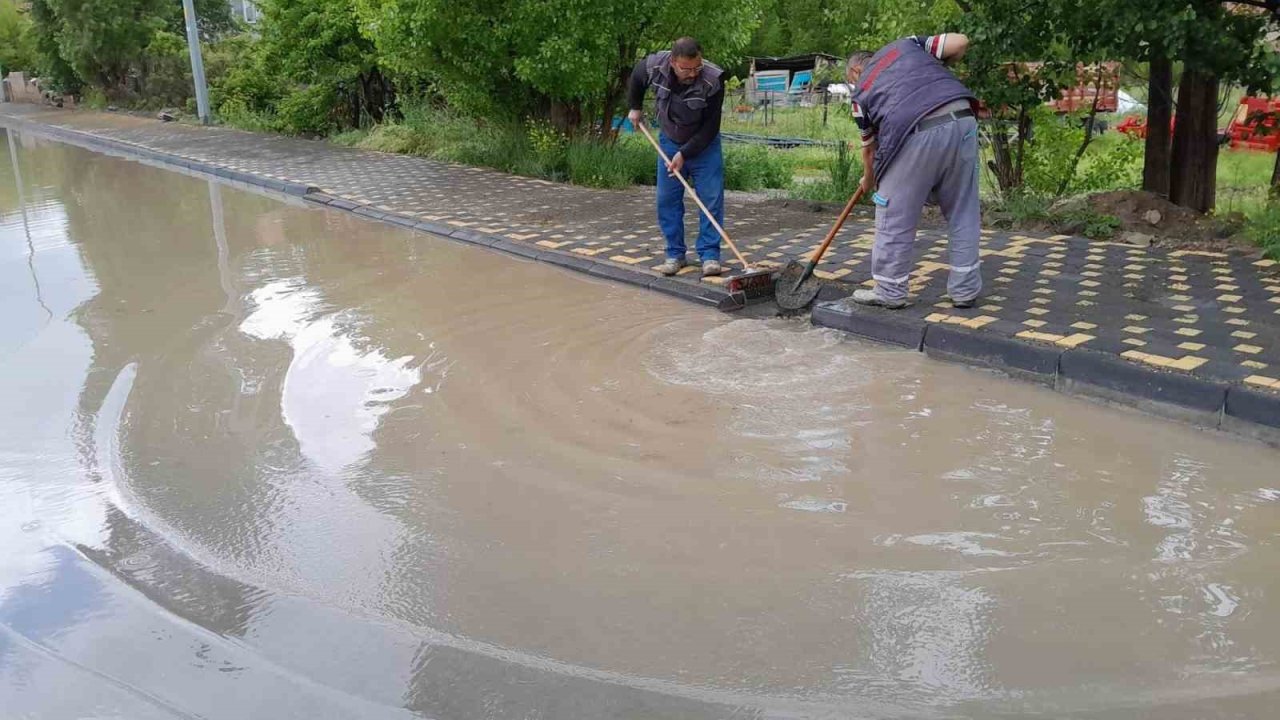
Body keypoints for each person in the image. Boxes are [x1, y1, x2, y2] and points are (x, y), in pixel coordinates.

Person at [846, 33, 981, 309]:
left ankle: (889, 290)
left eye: (851, 81)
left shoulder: (861, 93)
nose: (853, 87)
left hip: (916, 130)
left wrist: (869, 181)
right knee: (962, 208)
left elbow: (870, 150)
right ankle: (965, 290)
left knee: (892, 209)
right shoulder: (908, 45)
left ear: (857, 70)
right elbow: (960, 42)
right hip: (963, 119)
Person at [627, 37, 726, 277]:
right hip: (669, 142)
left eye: (697, 67)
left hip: (705, 147)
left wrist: (685, 153)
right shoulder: (653, 65)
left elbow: (711, 127)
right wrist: (635, 107)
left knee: (710, 200)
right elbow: (637, 78)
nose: (692, 73)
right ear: (673, 62)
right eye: (686, 68)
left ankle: (710, 255)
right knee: (666, 201)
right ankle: (674, 254)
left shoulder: (713, 79)